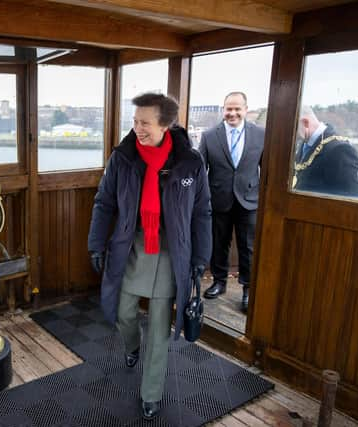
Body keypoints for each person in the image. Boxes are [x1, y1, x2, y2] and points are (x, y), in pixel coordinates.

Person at [88, 93, 211, 420]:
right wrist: (96, 243)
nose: (137, 128)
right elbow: (104, 203)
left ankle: (151, 394)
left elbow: (202, 213)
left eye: (144, 122)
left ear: (165, 125)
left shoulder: (191, 162)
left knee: (159, 325)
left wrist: (201, 257)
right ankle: (131, 347)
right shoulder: (123, 157)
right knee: (122, 312)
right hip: (132, 245)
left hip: (174, 252)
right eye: (135, 121)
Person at [198, 91, 264, 313]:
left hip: (249, 200)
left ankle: (248, 288)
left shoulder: (261, 134)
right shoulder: (208, 136)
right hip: (219, 200)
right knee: (219, 242)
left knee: (248, 247)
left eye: (237, 109)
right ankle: (219, 282)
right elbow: (200, 170)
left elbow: (267, 169)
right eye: (229, 108)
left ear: (245, 109)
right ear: (223, 109)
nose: (232, 113)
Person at [293, 106, 358, 197]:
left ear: (305, 123)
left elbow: (349, 199)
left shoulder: (340, 150)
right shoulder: (304, 142)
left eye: (292, 128)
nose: (289, 135)